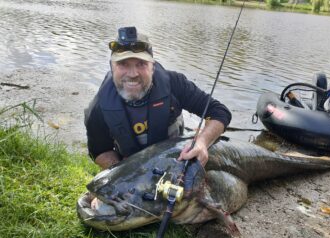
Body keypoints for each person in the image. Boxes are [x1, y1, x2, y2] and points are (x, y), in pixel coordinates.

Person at [84, 26, 231, 170]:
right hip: (129, 164)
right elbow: (99, 151)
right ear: (112, 67)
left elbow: (219, 112)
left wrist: (202, 142)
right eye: (123, 64)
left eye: (141, 64)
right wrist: (123, 171)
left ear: (152, 67)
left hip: (176, 159)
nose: (133, 74)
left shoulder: (175, 83)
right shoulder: (98, 107)